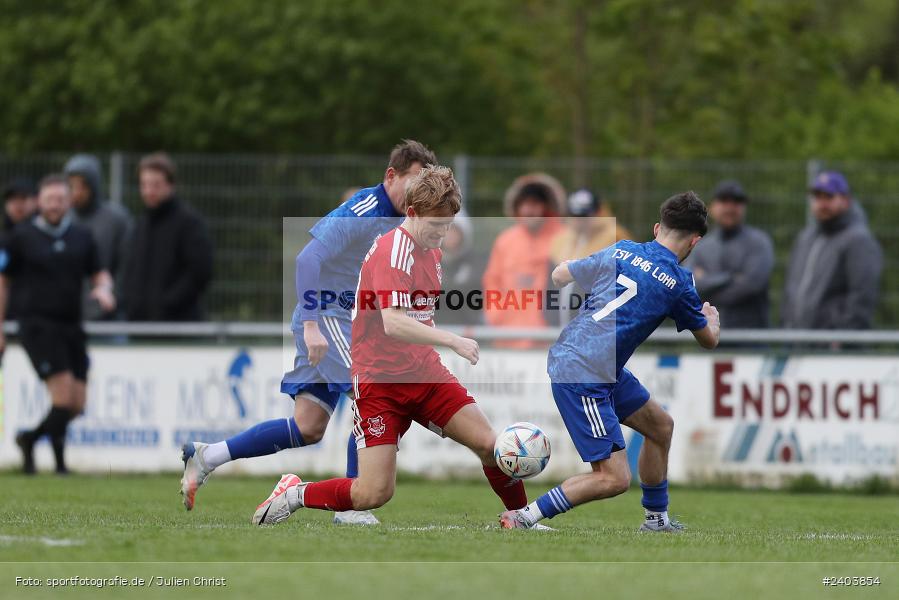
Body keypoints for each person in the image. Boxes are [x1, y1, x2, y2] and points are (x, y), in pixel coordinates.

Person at [251, 165, 540, 528]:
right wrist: (452, 340)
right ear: (413, 213)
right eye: (436, 225)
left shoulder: (431, 250)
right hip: (379, 384)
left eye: (448, 224)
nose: (443, 233)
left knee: (490, 445)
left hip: (424, 374)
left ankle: (521, 517)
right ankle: (295, 493)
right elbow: (394, 323)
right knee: (373, 494)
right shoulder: (393, 251)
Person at [180, 140, 436, 526]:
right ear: (391, 176)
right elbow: (307, 257)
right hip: (328, 316)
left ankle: (208, 456)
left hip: (349, 322)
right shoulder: (364, 210)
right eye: (412, 181)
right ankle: (352, 507)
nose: (416, 193)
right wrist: (314, 325)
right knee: (377, 390)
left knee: (308, 427)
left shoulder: (405, 219)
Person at [499, 191, 720, 532]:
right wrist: (712, 318)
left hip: (595, 364)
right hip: (583, 372)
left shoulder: (622, 249)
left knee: (660, 427)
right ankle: (524, 517)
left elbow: (561, 274)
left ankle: (657, 521)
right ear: (695, 241)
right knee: (614, 478)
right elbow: (709, 340)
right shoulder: (679, 282)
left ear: (657, 227)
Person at [0, 174, 115, 474]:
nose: (54, 205)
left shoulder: (82, 236)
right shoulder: (20, 238)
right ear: (40, 201)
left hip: (71, 326)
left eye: (60, 199)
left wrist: (104, 290)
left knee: (76, 404)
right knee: (63, 396)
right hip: (37, 325)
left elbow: (99, 274)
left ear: (68, 201)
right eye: (49, 199)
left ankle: (29, 439)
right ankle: (55, 459)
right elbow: (3, 283)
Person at [782, 171, 883, 329]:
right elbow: (792, 289)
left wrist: (843, 336)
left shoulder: (858, 240)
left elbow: (863, 296)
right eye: (817, 197)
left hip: (832, 345)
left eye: (829, 197)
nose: (822, 204)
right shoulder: (806, 238)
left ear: (846, 201)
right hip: (798, 339)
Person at [122, 152, 213, 321]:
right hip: (140, 325)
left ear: (170, 185)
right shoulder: (141, 224)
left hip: (178, 327)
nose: (149, 191)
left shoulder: (189, 223)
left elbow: (200, 271)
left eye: (156, 185)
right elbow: (131, 270)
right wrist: (131, 303)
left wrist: (168, 304)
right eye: (144, 185)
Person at [482, 174, 565, 347]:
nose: (529, 210)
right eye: (524, 204)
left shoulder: (563, 239)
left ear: (546, 207)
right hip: (508, 336)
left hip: (549, 339)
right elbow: (492, 281)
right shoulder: (505, 240)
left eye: (535, 204)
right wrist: (496, 316)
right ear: (517, 207)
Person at [686, 181, 774, 328]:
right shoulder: (701, 245)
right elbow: (689, 285)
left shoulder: (759, 242)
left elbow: (751, 286)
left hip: (752, 338)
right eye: (724, 201)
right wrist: (730, 278)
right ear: (711, 207)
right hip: (707, 336)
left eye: (736, 202)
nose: (730, 207)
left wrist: (707, 286)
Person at [550, 189, 633, 325]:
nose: (579, 220)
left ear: (599, 212)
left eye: (585, 215)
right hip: (561, 326)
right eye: (575, 215)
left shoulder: (614, 237)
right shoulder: (563, 240)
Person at [64, 154, 132, 320]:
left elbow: (127, 265)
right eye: (71, 186)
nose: (76, 193)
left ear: (93, 186)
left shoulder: (116, 219)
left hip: (109, 312)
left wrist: (114, 298)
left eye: (82, 187)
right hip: (68, 314)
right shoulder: (62, 219)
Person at [1, 178, 38, 322]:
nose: (17, 204)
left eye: (23, 198)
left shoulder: (45, 237)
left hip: (36, 316)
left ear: (36, 201)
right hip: (7, 315)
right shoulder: (3, 239)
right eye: (12, 200)